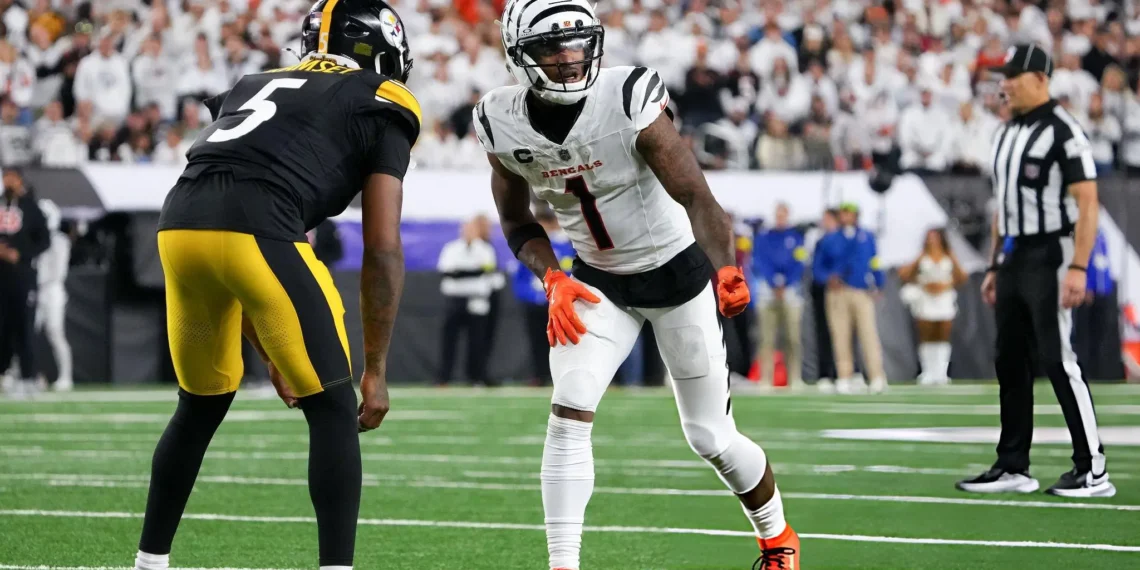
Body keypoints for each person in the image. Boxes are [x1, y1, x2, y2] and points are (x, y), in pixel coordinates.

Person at [474, 1, 799, 568]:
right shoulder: (499, 120)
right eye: (553, 47)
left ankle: (778, 538)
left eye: (579, 43)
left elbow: (696, 193)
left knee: (710, 438)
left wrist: (725, 266)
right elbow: (516, 221)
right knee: (569, 408)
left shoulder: (625, 100)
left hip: (678, 275)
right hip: (598, 281)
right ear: (519, 57)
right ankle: (562, 564)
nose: (572, 60)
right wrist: (551, 276)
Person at [134, 2, 419, 570]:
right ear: (380, 47)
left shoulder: (252, 82)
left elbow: (244, 194)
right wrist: (377, 368)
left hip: (178, 228)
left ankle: (149, 563)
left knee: (199, 405)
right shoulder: (382, 100)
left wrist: (270, 342)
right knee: (335, 407)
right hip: (257, 232)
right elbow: (382, 246)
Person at [957, 43, 1114, 498]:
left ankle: (1093, 468)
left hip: (1052, 252)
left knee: (1057, 359)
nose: (1004, 82)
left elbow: (1088, 201)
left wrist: (1079, 266)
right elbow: (1001, 207)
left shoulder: (1064, 130)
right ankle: (1013, 465)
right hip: (1014, 256)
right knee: (1009, 359)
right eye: (1002, 74)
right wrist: (993, 263)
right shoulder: (1005, 132)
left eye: (1013, 75)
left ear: (1040, 79)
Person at [814, 203, 887, 394]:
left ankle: (876, 376)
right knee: (840, 336)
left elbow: (874, 261)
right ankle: (844, 376)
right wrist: (828, 278)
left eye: (849, 213)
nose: (846, 216)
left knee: (868, 334)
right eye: (843, 213)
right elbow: (818, 267)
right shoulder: (830, 239)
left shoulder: (866, 236)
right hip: (838, 293)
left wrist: (879, 283)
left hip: (861, 290)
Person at [510, 208, 576, 386]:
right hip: (534, 302)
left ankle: (563, 377)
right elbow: (520, 278)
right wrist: (532, 296)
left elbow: (571, 273)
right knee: (537, 340)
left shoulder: (566, 246)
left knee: (563, 341)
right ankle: (539, 375)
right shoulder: (529, 248)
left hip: (559, 301)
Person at [0, 167, 49, 397]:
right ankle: (4, 374)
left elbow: (45, 240)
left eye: (12, 177)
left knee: (24, 326)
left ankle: (28, 376)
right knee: (2, 327)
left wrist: (21, 253)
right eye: (5, 177)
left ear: (20, 180)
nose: (8, 182)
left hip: (23, 276)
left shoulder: (31, 208)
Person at [899, 228, 967, 385]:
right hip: (926, 298)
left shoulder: (949, 255)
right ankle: (928, 371)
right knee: (926, 334)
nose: (932, 241)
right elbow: (905, 275)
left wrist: (947, 284)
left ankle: (941, 372)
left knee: (943, 333)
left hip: (944, 298)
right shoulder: (922, 256)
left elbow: (962, 276)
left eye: (935, 237)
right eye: (930, 238)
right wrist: (923, 283)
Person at [436, 217, 497, 386]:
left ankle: (476, 377)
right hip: (455, 300)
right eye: (466, 229)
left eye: (472, 230)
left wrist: (461, 273)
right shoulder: (451, 248)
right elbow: (447, 273)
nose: (469, 233)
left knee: (477, 341)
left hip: (477, 301)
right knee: (449, 341)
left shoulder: (485, 249)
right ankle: (443, 377)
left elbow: (487, 271)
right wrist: (473, 272)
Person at [752, 202, 805, 389]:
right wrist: (774, 282)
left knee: (792, 337)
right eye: (778, 214)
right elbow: (759, 261)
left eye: (784, 214)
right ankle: (766, 378)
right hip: (768, 291)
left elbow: (799, 262)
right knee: (766, 338)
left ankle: (795, 377)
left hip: (790, 292)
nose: (781, 218)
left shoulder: (796, 237)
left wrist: (786, 283)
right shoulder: (765, 237)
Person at [34, 198, 73, 392]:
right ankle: (25, 375)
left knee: (56, 332)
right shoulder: (34, 239)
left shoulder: (60, 240)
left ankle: (66, 377)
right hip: (35, 289)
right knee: (27, 333)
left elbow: (57, 271)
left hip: (53, 289)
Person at [808, 208, 840, 391]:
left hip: (841, 289)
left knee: (844, 333)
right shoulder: (818, 239)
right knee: (823, 332)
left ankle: (846, 372)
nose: (824, 222)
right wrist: (826, 279)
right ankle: (825, 373)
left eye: (827, 219)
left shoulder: (843, 239)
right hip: (822, 290)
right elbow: (815, 267)